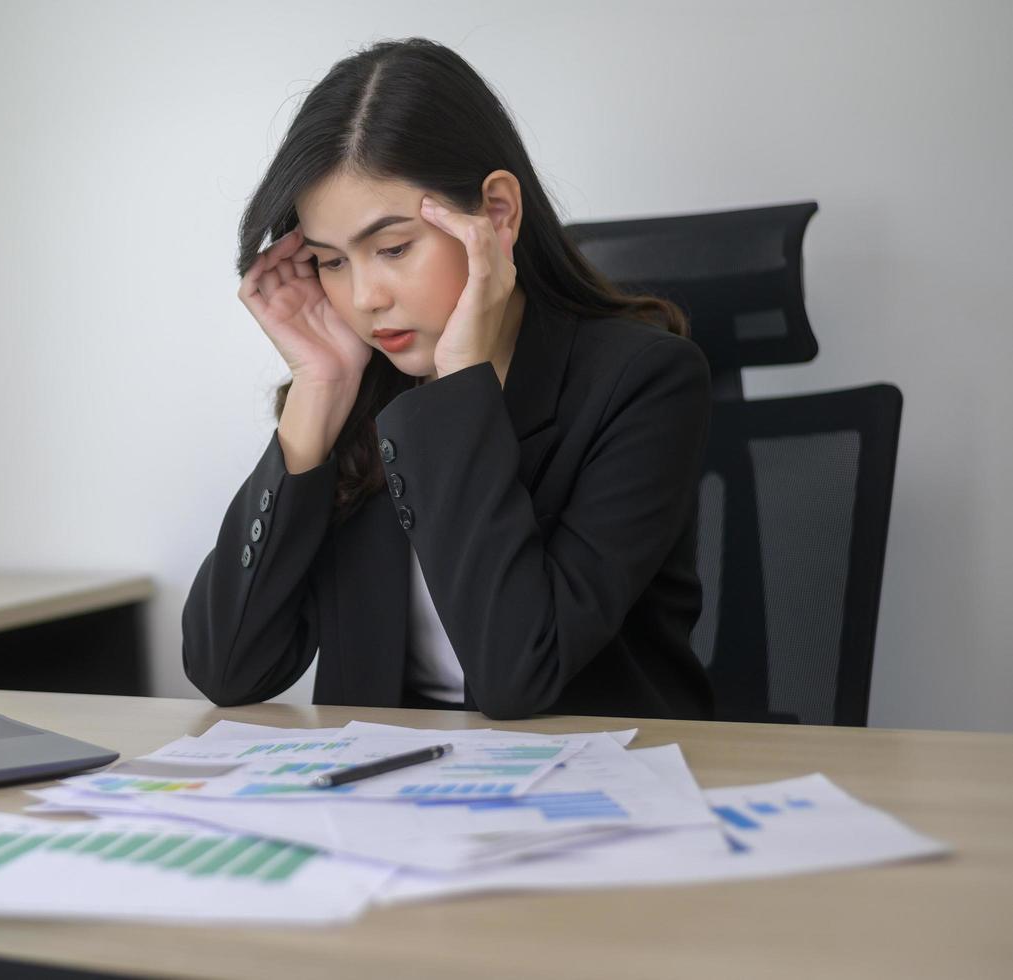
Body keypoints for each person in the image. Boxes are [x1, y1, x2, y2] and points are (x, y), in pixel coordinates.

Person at [182, 37, 714, 721]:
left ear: (494, 213)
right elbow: (228, 669)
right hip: (389, 800)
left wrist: (461, 383)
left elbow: (518, 677)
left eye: (393, 248)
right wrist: (316, 390)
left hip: (595, 795)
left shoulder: (644, 384)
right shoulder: (357, 388)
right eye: (329, 262)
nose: (364, 297)